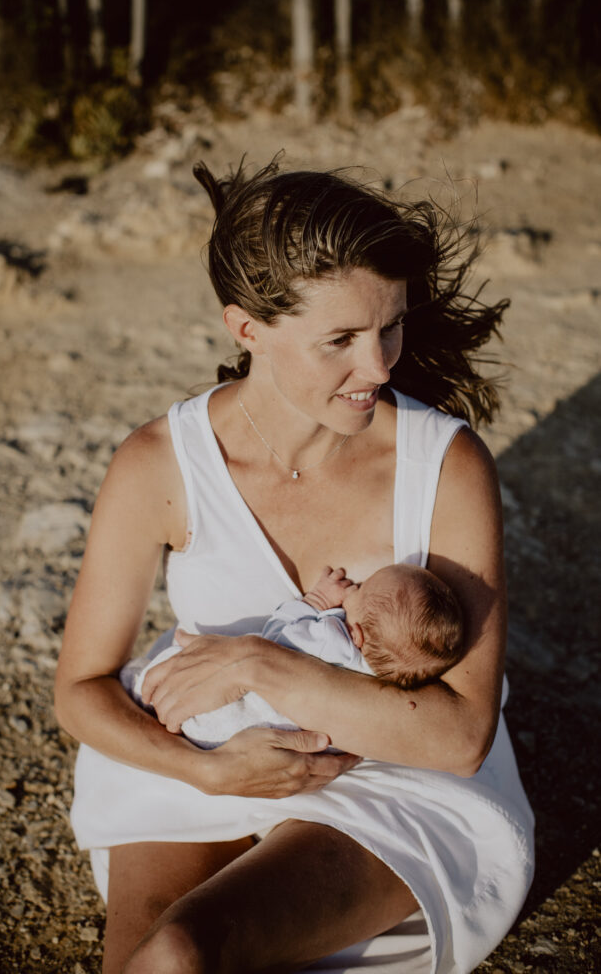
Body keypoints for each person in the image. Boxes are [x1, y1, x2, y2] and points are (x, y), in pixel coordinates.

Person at [55, 157, 534, 974]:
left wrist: (256, 661)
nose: (379, 367)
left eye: (390, 326)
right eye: (340, 341)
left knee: (183, 949)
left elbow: (457, 735)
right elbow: (81, 688)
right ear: (246, 329)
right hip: (200, 765)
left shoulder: (443, 466)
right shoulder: (160, 466)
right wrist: (204, 772)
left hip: (392, 773)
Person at [120, 563, 464, 750]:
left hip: (222, 708)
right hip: (258, 737)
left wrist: (316, 600)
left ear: (356, 634)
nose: (353, 588)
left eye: (361, 588)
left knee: (172, 663)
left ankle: (134, 683)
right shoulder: (376, 676)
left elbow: (278, 633)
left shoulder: (330, 639)